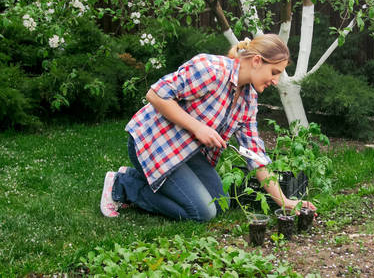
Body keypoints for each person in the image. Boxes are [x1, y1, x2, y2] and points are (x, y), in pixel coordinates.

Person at [100, 34, 317, 221]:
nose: (276, 81)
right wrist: (198, 128)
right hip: (154, 144)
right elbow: (155, 94)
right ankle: (123, 185)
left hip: (187, 153)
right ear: (258, 61)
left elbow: (255, 154)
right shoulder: (211, 69)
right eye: (275, 72)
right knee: (203, 212)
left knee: (220, 203)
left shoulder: (248, 99)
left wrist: (284, 201)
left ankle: (141, 179)